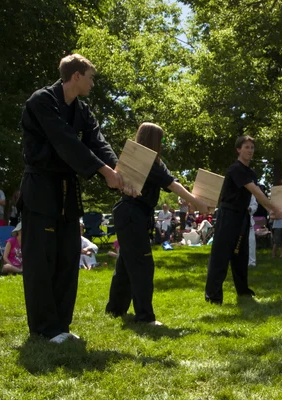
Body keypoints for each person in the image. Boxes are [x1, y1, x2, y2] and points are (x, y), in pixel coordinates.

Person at [19, 54, 126, 343]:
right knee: (42, 261)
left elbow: (97, 141)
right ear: (76, 76)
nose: (93, 83)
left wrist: (118, 172)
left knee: (68, 257)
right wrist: (104, 172)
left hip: (67, 194)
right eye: (90, 77)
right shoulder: (41, 101)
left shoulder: (83, 110)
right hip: (40, 191)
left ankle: (61, 327)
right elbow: (65, 139)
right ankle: (44, 328)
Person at [106, 122, 209, 325]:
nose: (163, 143)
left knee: (127, 264)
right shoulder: (144, 162)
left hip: (134, 215)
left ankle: (115, 310)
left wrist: (193, 197)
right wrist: (196, 202)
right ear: (152, 139)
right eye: (160, 139)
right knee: (143, 265)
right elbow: (171, 184)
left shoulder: (156, 163)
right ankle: (145, 317)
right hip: (131, 214)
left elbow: (173, 181)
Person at [205, 136, 282, 305]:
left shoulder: (251, 173)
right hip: (228, 215)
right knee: (221, 256)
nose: (250, 150)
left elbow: (255, 197)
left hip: (242, 216)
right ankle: (213, 296)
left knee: (241, 255)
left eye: (252, 147)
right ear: (238, 149)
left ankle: (243, 291)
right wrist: (275, 209)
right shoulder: (235, 169)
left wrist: (272, 212)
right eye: (246, 147)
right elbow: (256, 192)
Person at [248, 195, 258, 267]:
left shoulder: (250, 193)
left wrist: (250, 208)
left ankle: (252, 262)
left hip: (248, 221)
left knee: (251, 241)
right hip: (235, 220)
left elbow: (254, 205)